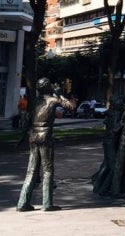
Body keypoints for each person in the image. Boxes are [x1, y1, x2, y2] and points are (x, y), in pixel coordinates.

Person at [16, 78, 75, 212]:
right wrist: (59, 94)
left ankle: (22, 203)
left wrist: (22, 137)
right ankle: (47, 203)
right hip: (45, 135)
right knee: (47, 170)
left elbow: (27, 120)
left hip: (33, 135)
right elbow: (71, 107)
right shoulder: (52, 100)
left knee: (31, 170)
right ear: (49, 87)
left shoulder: (36, 101)